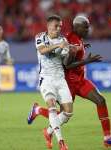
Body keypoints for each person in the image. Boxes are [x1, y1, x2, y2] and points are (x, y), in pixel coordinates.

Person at [28, 15, 111, 148]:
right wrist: (87, 60)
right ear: (77, 27)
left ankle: (108, 137)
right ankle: (39, 111)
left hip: (80, 79)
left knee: (100, 100)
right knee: (64, 114)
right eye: (85, 27)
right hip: (69, 82)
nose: (87, 29)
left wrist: (82, 46)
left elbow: (73, 48)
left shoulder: (77, 38)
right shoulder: (67, 39)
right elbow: (67, 64)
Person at [33, 15, 75, 150]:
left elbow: (66, 63)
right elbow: (43, 51)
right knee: (52, 106)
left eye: (60, 26)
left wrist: (71, 52)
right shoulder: (40, 37)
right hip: (46, 78)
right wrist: (58, 45)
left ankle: (48, 131)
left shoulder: (64, 40)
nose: (58, 29)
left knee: (68, 113)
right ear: (49, 25)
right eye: (56, 26)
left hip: (60, 79)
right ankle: (61, 142)